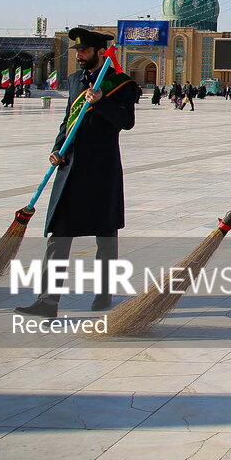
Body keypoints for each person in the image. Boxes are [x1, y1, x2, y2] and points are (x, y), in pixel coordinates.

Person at [16, 28, 137, 318]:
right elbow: (67, 120)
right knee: (59, 233)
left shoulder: (120, 84)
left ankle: (105, 290)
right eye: (77, 51)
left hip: (101, 169)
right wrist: (58, 148)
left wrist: (101, 101)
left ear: (99, 52)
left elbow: (126, 121)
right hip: (70, 167)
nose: (80, 55)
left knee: (105, 233)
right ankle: (47, 300)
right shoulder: (74, 81)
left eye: (84, 51)